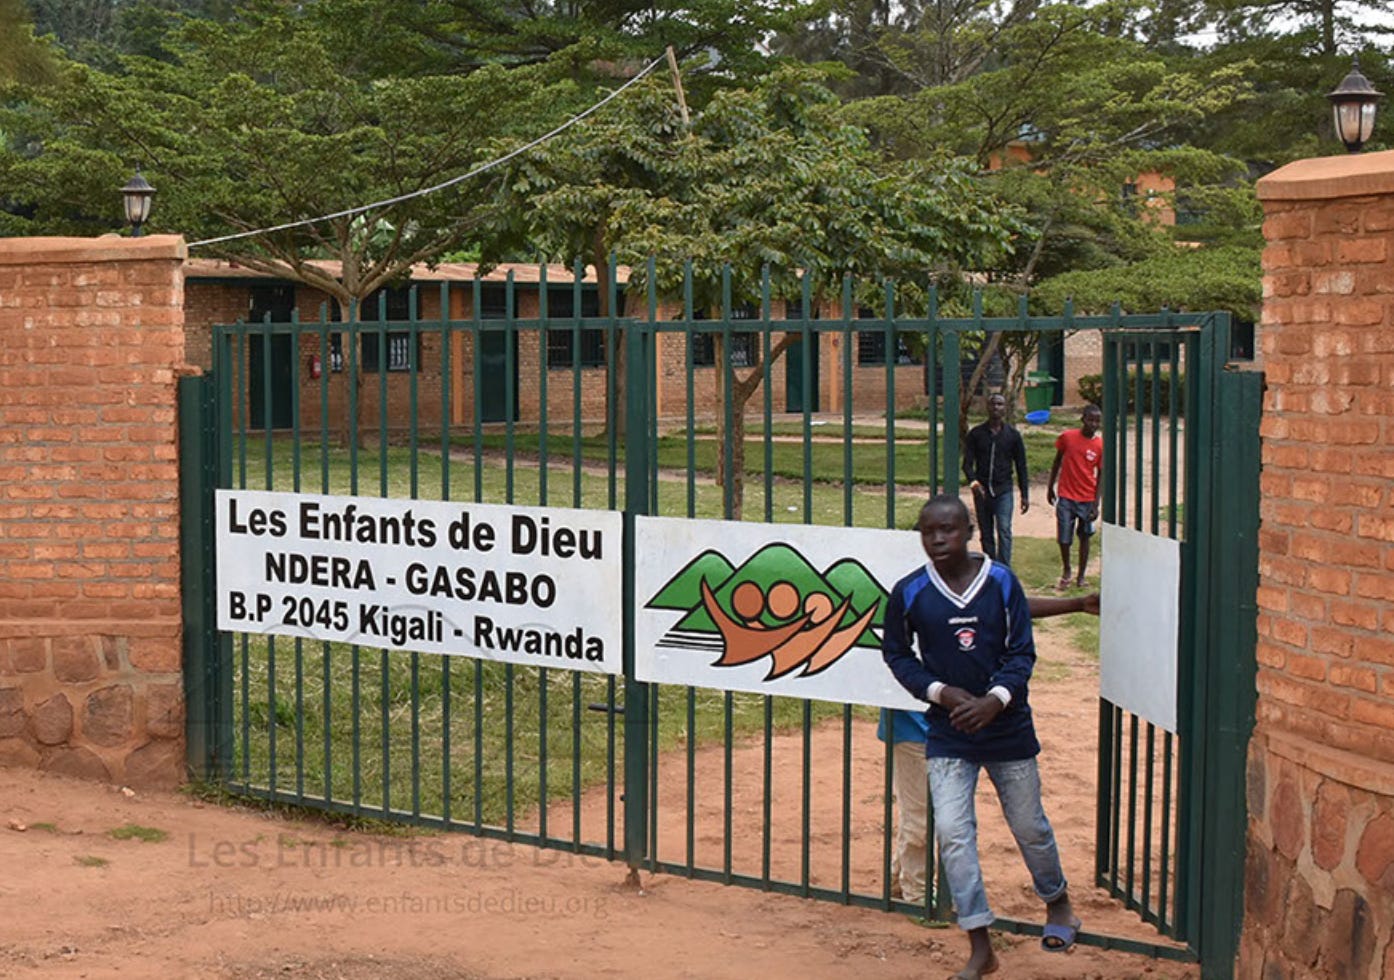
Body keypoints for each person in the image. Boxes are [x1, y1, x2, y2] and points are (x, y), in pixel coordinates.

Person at [882, 495, 1079, 980]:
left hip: (1007, 728)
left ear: (970, 531)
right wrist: (941, 692)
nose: (939, 539)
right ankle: (980, 944)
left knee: (1029, 825)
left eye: (948, 529)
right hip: (949, 733)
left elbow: (1021, 652)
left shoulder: (1001, 582)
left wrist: (995, 700)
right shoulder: (910, 592)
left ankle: (1059, 904)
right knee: (953, 834)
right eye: (929, 532)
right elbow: (896, 655)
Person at [876, 592, 1097, 908]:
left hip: (959, 730)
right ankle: (918, 895)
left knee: (931, 814)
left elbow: (1004, 606)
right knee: (923, 816)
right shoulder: (912, 589)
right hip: (913, 726)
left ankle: (901, 880)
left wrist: (1074, 603)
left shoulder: (970, 585)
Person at [962, 392, 1029, 566]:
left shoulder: (1012, 436)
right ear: (987, 407)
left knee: (1004, 529)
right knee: (986, 532)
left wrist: (1025, 494)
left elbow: (1021, 466)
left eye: (1000, 404)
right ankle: (990, 565)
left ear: (1005, 408)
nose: (996, 408)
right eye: (993, 404)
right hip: (982, 491)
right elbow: (967, 464)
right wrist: (974, 483)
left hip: (1003, 489)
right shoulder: (976, 434)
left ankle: (1005, 568)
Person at [1046, 403, 1103, 590]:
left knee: (1085, 536)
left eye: (1097, 421)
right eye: (1090, 419)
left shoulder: (1099, 445)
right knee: (1064, 537)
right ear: (1083, 419)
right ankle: (1067, 570)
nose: (1093, 424)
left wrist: (1096, 503)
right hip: (1066, 495)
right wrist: (1050, 486)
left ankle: (1081, 575)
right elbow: (1056, 462)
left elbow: (1101, 474)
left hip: (1087, 497)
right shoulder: (1068, 438)